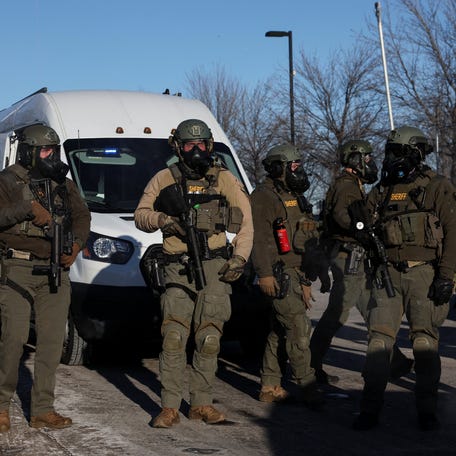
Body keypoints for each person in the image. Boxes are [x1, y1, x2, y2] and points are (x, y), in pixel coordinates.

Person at [134, 119, 253, 428]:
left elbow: (246, 224)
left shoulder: (224, 179)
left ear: (210, 146)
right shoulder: (163, 179)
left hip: (215, 266)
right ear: (179, 148)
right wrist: (164, 220)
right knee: (173, 336)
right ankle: (169, 407)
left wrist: (239, 258)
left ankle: (201, 403)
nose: (197, 150)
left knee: (210, 338)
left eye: (202, 145)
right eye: (190, 146)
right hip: (177, 266)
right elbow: (140, 215)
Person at [353, 126, 456, 431]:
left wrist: (447, 275)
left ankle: (427, 411)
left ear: (414, 153)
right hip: (388, 274)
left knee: (424, 342)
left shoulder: (438, 186)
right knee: (378, 342)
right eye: (390, 152)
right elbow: (365, 227)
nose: (391, 158)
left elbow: (452, 233)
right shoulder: (383, 190)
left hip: (425, 274)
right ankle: (369, 410)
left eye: (397, 152)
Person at [0, 125, 90, 432]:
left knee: (52, 344)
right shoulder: (7, 181)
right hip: (17, 270)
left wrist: (76, 245)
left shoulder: (63, 184)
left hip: (56, 270)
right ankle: (1, 406)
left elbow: (82, 216)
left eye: (54, 151)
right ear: (29, 152)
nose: (51, 157)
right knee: (13, 338)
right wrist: (25, 209)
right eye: (45, 151)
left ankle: (42, 409)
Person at [310, 140, 413, 385]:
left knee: (372, 311)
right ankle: (309, 366)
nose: (370, 162)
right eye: (366, 158)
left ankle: (394, 360)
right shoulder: (346, 186)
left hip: (351, 257)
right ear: (355, 159)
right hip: (349, 258)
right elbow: (342, 215)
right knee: (337, 314)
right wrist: (363, 228)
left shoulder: (350, 184)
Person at [250, 144, 324, 407]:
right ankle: (308, 385)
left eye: (298, 165)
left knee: (279, 330)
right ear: (278, 168)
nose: (298, 170)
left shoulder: (296, 197)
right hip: (278, 274)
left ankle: (269, 385)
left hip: (295, 273)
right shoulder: (262, 197)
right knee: (298, 328)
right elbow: (258, 240)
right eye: (293, 165)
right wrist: (265, 275)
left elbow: (307, 238)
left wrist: (306, 279)